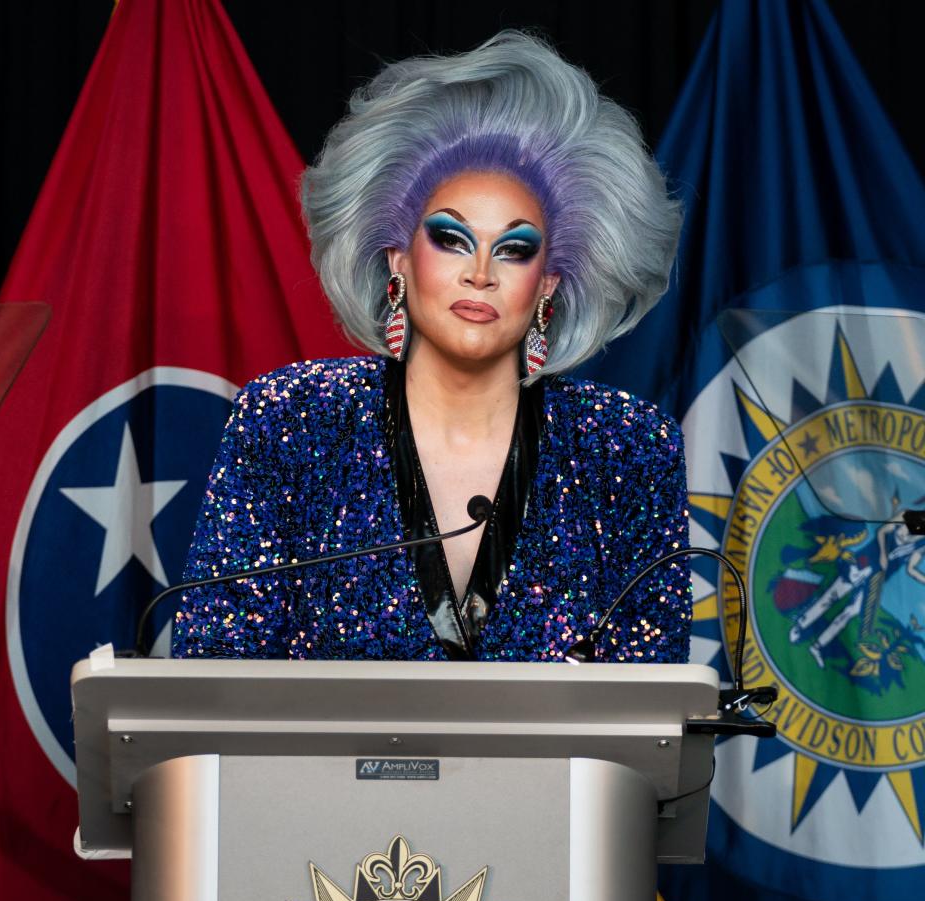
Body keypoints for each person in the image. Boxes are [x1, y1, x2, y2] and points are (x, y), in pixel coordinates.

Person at [172, 32, 691, 663]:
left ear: (548, 280)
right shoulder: (291, 421)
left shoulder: (627, 446)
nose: (481, 272)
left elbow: (657, 711)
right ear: (397, 258)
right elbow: (214, 667)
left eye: (515, 248)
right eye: (451, 238)